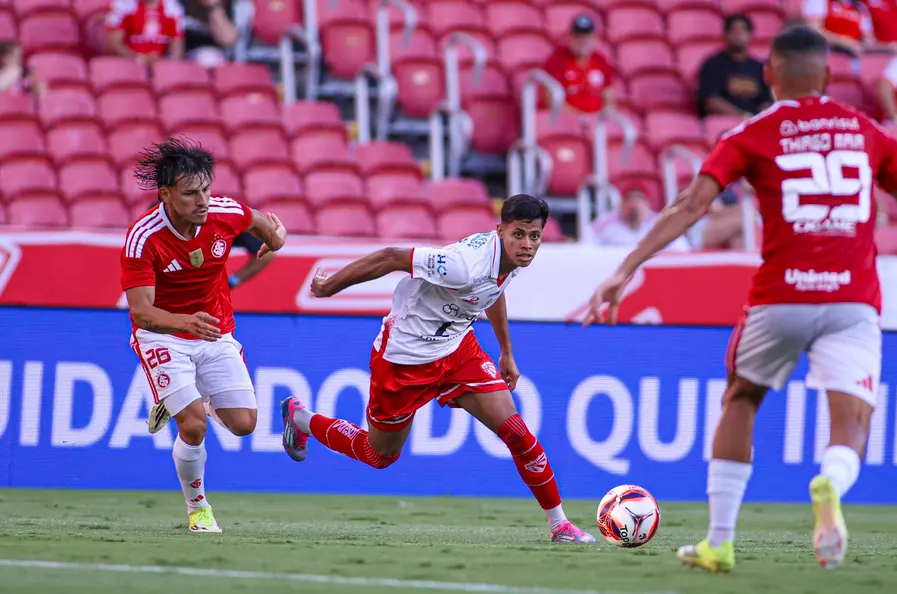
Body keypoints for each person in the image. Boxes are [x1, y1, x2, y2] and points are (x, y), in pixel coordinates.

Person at [584, 26, 897, 572]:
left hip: (781, 296)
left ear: (769, 74)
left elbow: (691, 206)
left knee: (742, 398)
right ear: (828, 75)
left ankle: (720, 541)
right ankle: (830, 482)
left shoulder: (751, 132)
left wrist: (626, 268)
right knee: (851, 424)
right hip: (854, 299)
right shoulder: (868, 132)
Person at [279, 194, 597, 544]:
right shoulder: (463, 263)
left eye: (534, 236)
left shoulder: (507, 261)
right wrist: (329, 286)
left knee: (518, 434)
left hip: (459, 351)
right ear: (500, 230)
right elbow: (391, 257)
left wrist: (506, 351)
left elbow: (490, 292)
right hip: (404, 360)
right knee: (378, 455)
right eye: (519, 234)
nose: (527, 244)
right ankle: (301, 418)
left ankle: (560, 525)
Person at [120, 138, 287, 532]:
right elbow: (142, 314)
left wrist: (274, 241)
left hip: (214, 331)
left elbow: (268, 228)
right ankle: (198, 510)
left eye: (207, 189)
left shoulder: (225, 213)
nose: (204, 200)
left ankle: (182, 397)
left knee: (245, 424)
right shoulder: (143, 237)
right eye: (192, 193)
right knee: (193, 425)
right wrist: (184, 322)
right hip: (164, 335)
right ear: (166, 194)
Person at [697, 14, 772, 118]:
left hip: (755, 122)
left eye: (743, 30)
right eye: (733, 31)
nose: (738, 34)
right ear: (725, 35)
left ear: (751, 35)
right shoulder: (712, 65)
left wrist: (760, 115)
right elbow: (711, 101)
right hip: (724, 122)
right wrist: (743, 116)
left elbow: (767, 101)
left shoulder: (760, 68)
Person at [542, 14, 615, 114]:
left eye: (586, 36)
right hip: (567, 123)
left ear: (594, 37)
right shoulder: (557, 60)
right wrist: (580, 119)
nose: (582, 41)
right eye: (578, 36)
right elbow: (551, 99)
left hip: (597, 123)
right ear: (570, 37)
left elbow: (608, 96)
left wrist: (602, 118)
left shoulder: (600, 61)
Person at [106, 0, 186, 65]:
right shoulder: (123, 4)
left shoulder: (172, 7)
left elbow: (177, 50)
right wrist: (139, 58)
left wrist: (164, 64)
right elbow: (114, 45)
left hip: (159, 65)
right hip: (127, 65)